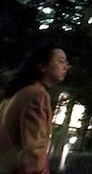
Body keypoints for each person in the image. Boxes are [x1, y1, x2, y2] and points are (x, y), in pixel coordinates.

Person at [0, 43, 69, 174]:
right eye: (60, 61)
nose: (65, 67)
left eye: (66, 62)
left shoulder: (14, 95)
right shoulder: (37, 95)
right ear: (42, 66)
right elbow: (34, 150)